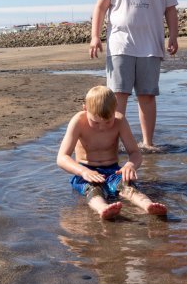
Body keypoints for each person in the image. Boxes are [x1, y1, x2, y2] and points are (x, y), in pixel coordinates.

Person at [90, 0, 179, 151]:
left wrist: (174, 36)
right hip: (120, 44)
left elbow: (170, 10)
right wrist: (95, 36)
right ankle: (116, 143)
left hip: (151, 45)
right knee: (118, 96)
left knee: (147, 96)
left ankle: (147, 143)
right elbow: (100, 7)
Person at [56, 86, 167, 219]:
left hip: (113, 170)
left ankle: (147, 205)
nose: (102, 126)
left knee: (127, 186)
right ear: (85, 109)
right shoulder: (78, 121)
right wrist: (83, 172)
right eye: (95, 122)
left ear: (115, 109)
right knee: (93, 189)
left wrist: (130, 165)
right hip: (86, 171)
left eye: (108, 121)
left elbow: (135, 153)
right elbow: (62, 158)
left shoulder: (120, 121)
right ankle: (103, 208)